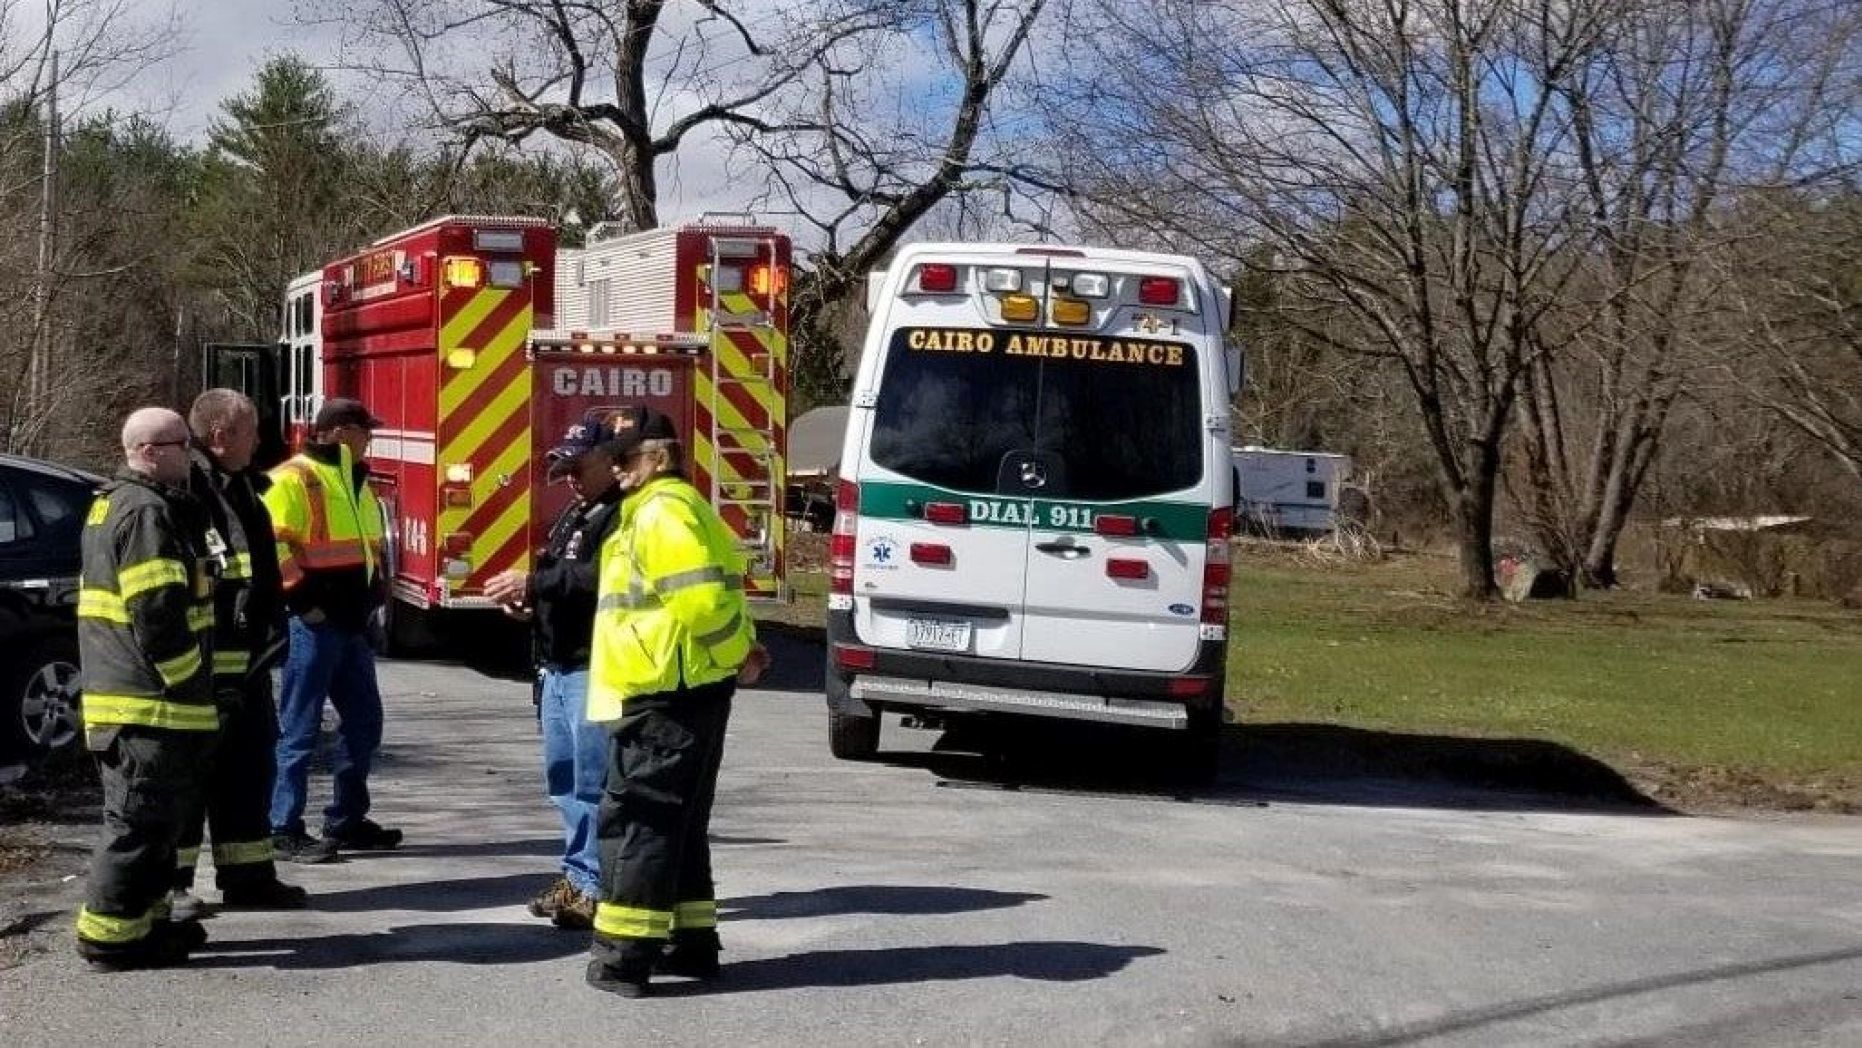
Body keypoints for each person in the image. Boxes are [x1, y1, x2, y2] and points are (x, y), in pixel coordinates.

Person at [583, 406, 770, 998]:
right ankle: (687, 943)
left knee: (640, 821)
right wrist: (738, 652)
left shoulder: (662, 512)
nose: (615, 471)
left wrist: (739, 653)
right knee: (679, 826)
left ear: (657, 457)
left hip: (668, 691)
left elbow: (701, 604)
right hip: (678, 686)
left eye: (624, 459)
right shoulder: (664, 510)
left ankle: (622, 958)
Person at [74, 408, 218, 970]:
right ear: (151, 451)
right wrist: (188, 680)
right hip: (149, 704)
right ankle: (108, 937)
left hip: (141, 701)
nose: (192, 455)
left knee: (157, 824)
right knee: (135, 825)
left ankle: (145, 926)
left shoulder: (120, 504)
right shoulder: (146, 512)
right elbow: (156, 612)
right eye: (184, 445)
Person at [167, 390, 308, 919]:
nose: (261, 441)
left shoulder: (239, 485)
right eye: (251, 431)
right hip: (207, 664)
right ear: (221, 435)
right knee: (190, 780)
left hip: (245, 661)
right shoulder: (189, 490)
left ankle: (248, 875)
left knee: (246, 773)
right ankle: (174, 887)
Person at [484, 411, 625, 931]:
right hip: (558, 668)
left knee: (593, 784)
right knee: (564, 783)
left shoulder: (620, 516)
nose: (568, 476)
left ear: (611, 462)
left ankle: (594, 886)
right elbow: (557, 576)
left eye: (578, 466)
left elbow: (595, 579)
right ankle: (577, 876)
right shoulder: (578, 511)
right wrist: (528, 605)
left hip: (594, 665)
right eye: (562, 467)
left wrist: (534, 584)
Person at [263, 398, 400, 859]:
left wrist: (375, 593)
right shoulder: (293, 478)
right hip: (315, 626)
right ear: (341, 432)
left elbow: (366, 547)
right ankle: (282, 827)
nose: (370, 439)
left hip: (349, 626)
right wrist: (304, 602)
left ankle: (346, 821)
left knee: (363, 722)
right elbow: (272, 547)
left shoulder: (353, 478)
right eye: (366, 431)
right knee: (299, 727)